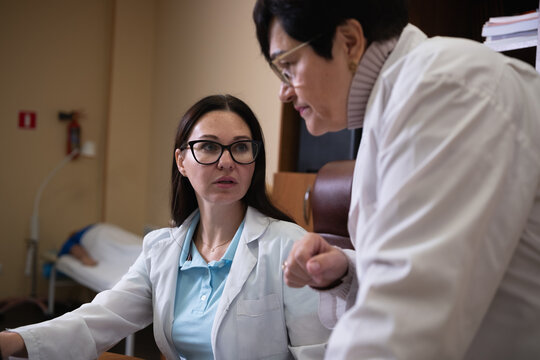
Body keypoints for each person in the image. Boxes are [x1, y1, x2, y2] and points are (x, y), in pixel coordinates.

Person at [253, 0, 540, 359]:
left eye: (289, 65)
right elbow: (429, 271)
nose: (285, 90)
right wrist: (347, 272)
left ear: (349, 42)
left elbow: (402, 323)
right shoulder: (397, 101)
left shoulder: (443, 87)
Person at [0, 94, 330, 360]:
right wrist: (13, 340)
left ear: (254, 161)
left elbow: (319, 353)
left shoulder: (287, 245)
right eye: (209, 146)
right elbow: (99, 319)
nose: (226, 161)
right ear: (181, 161)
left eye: (241, 147)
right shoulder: (161, 249)